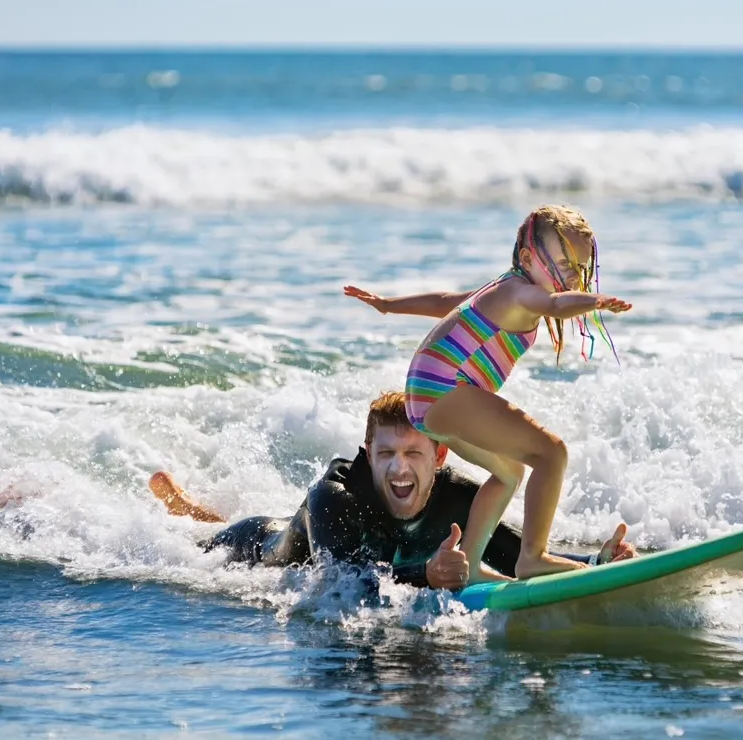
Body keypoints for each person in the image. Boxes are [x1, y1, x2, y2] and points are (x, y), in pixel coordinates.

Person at [343, 204, 630, 584]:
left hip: (427, 398)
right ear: (528, 257)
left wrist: (387, 306)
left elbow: (445, 301)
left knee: (509, 473)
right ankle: (533, 558)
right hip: (445, 389)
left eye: (577, 269)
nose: (570, 277)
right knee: (552, 453)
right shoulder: (524, 293)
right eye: (561, 264)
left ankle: (472, 564)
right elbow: (556, 305)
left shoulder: (500, 288)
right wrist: (595, 302)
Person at [150, 391, 636, 591]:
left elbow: (513, 554)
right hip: (262, 550)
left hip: (391, 558)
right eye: (385, 455)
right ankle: (185, 508)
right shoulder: (334, 495)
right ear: (367, 450)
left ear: (440, 456)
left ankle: (187, 505)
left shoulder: (458, 497)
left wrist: (594, 563)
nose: (399, 469)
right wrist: (427, 573)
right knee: (195, 543)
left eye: (413, 454)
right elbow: (342, 581)